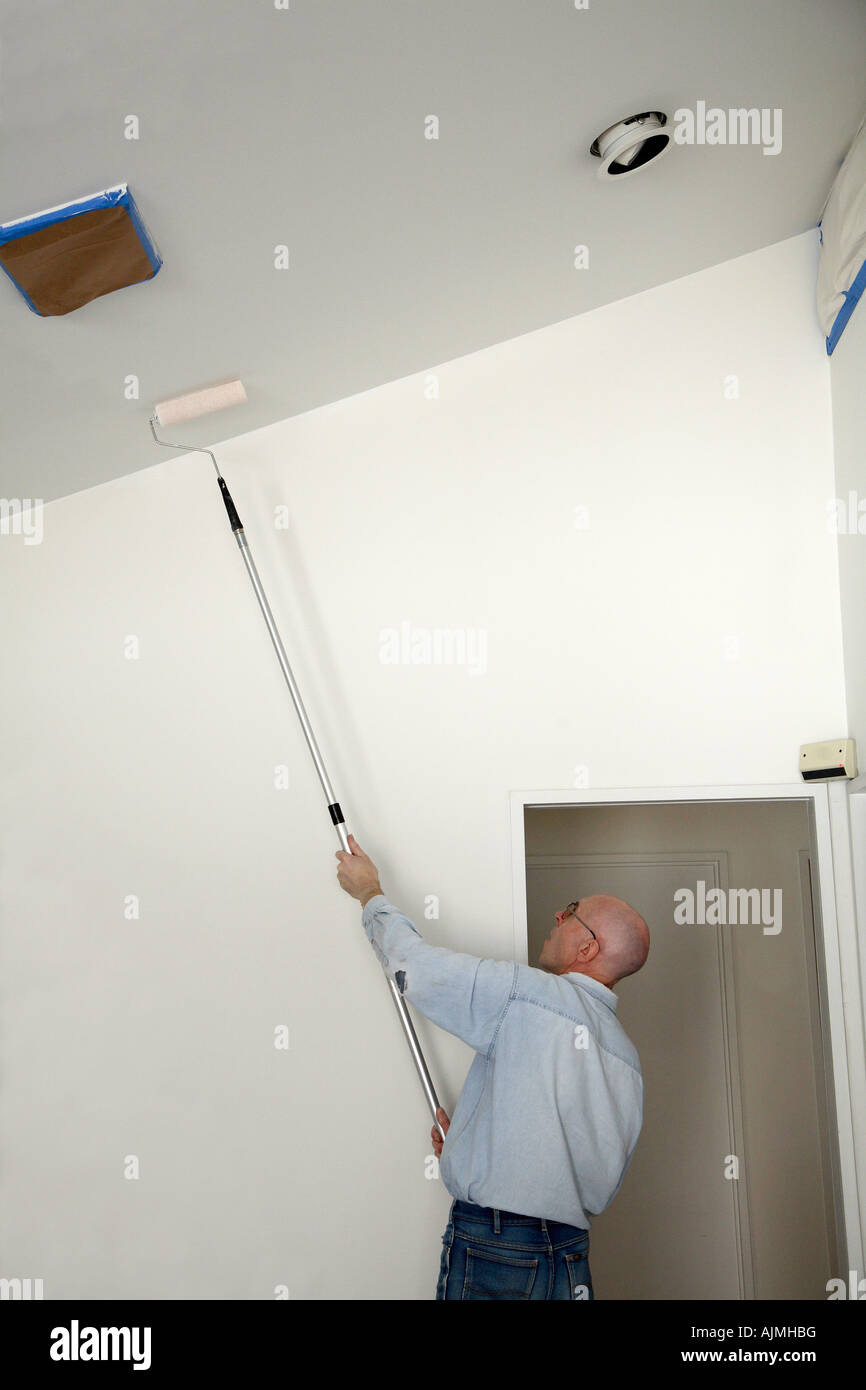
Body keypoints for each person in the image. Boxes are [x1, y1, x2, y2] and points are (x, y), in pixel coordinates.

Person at [336, 834, 650, 1301]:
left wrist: (369, 893)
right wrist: (472, 1145)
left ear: (587, 948)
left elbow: (416, 969)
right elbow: (571, 1164)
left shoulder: (530, 996)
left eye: (569, 912)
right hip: (569, 1258)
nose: (556, 917)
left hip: (498, 1250)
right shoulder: (626, 1060)